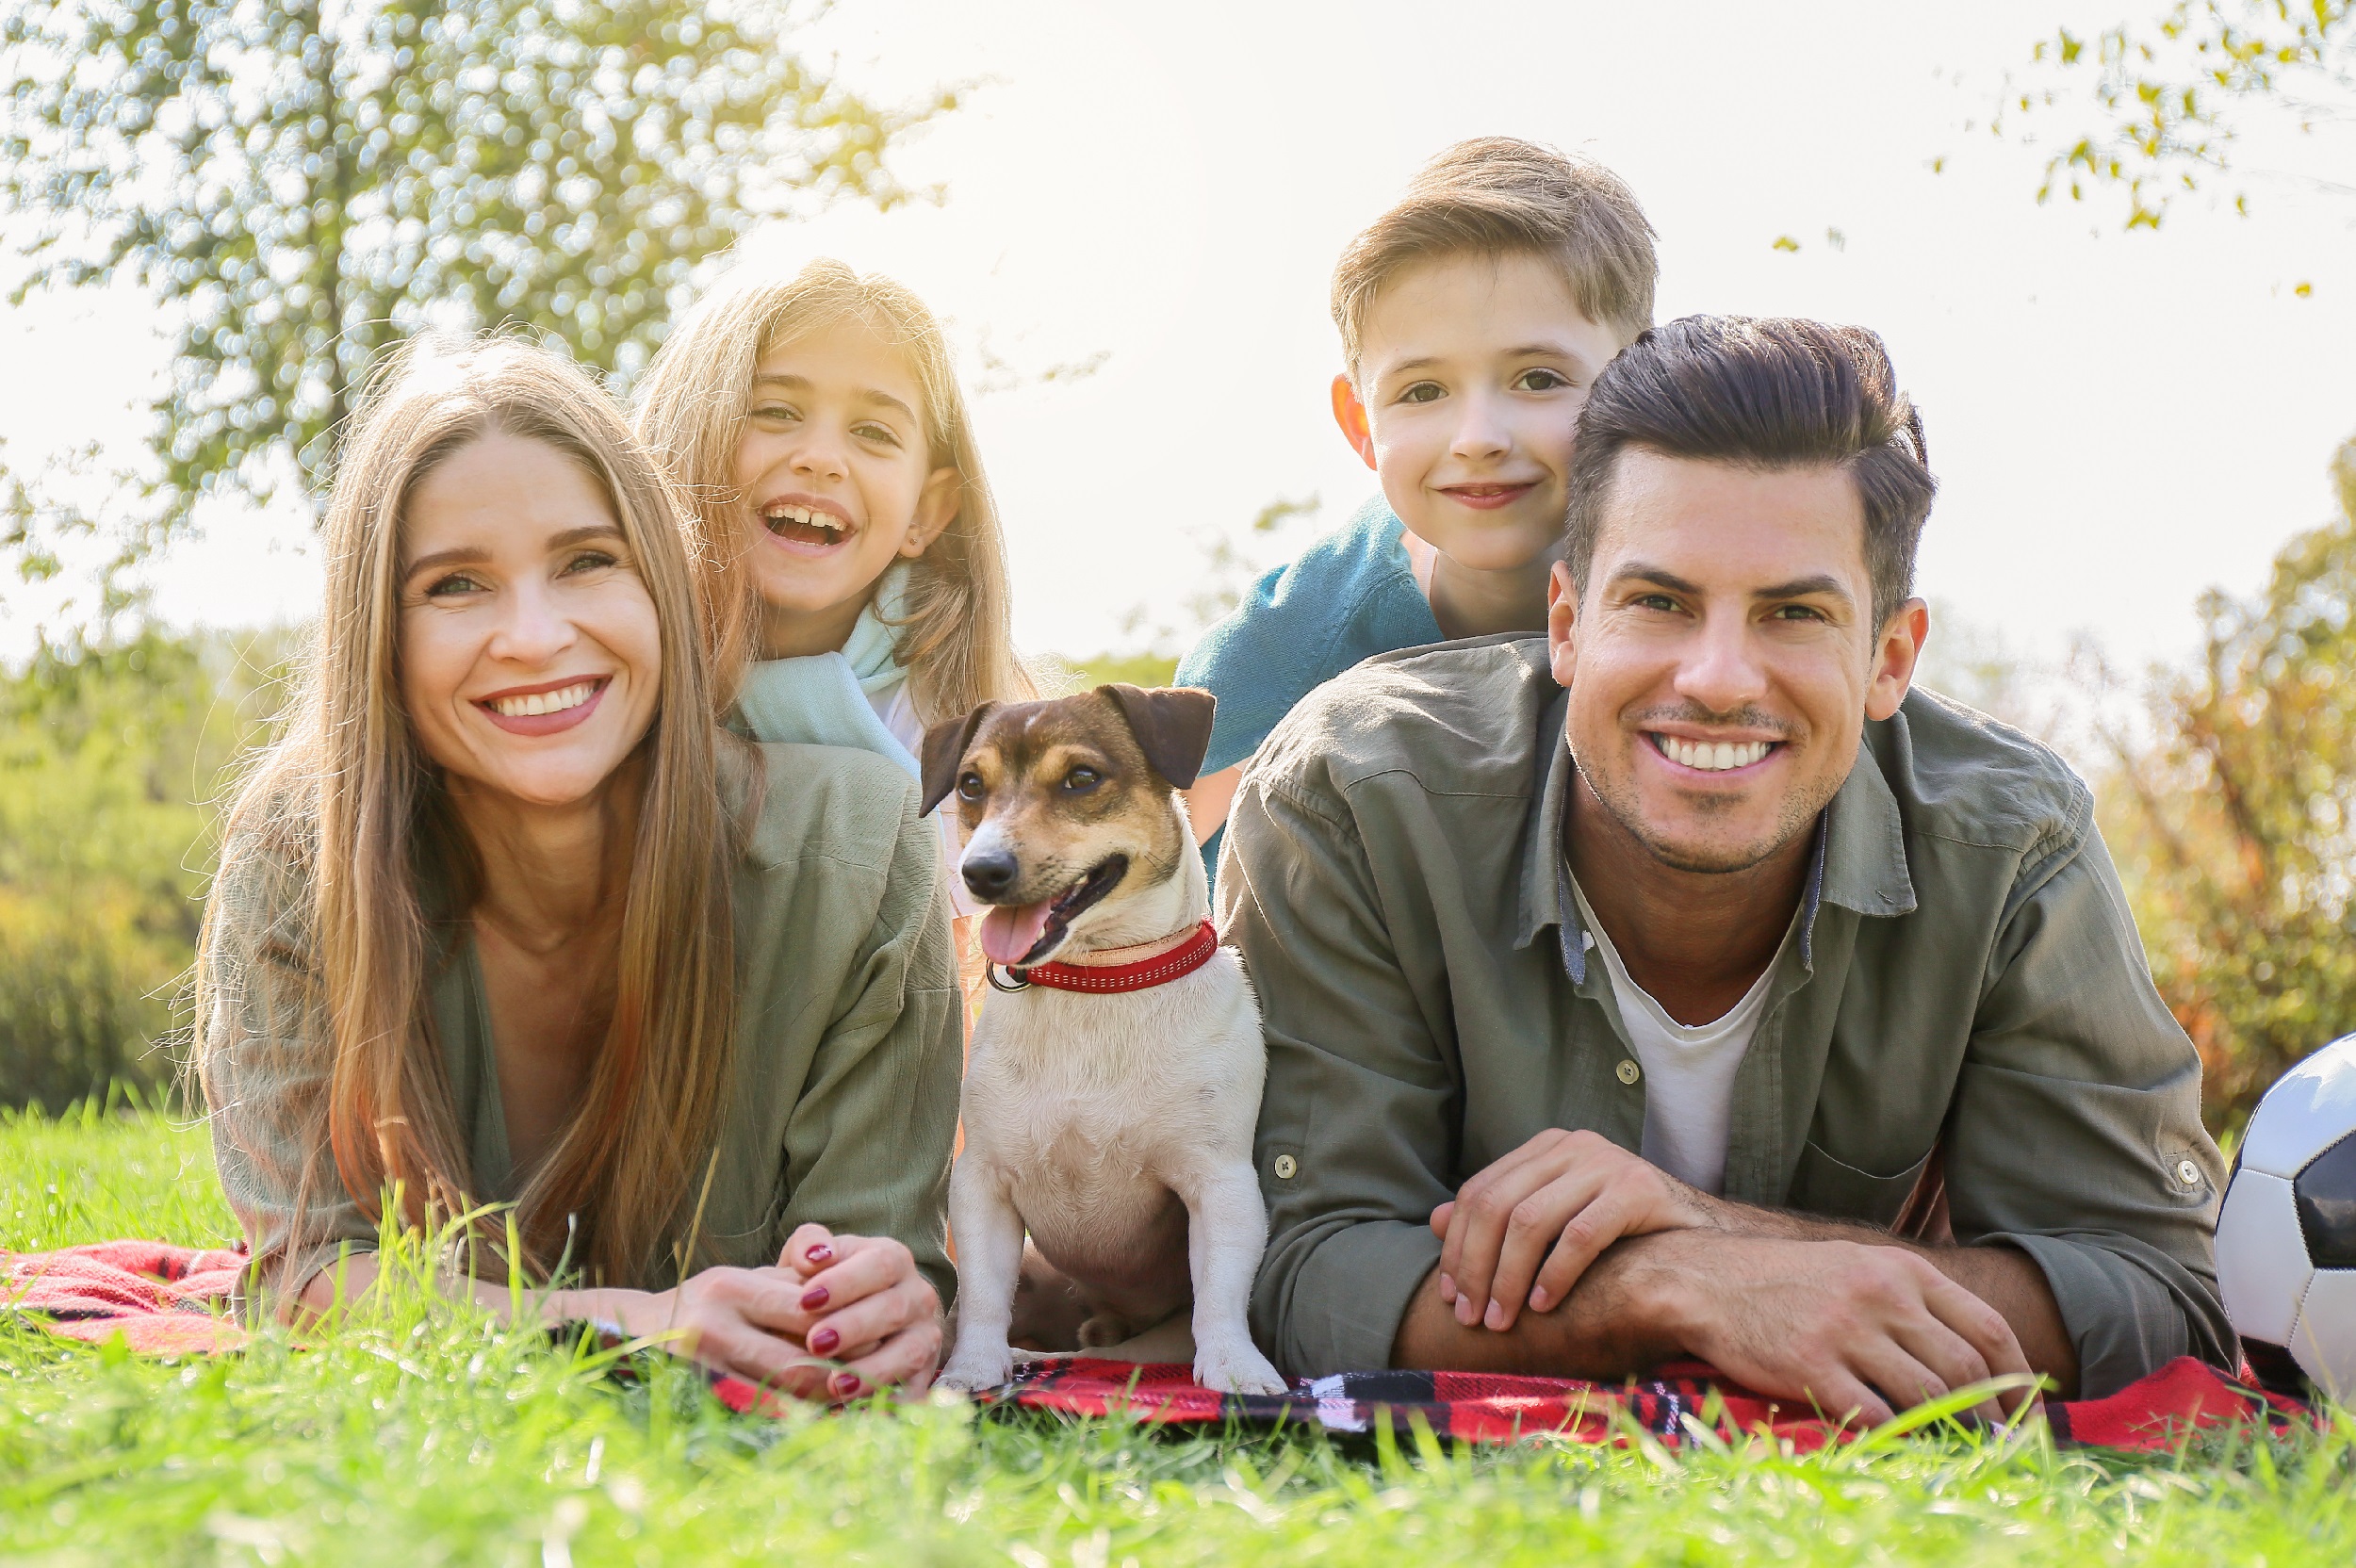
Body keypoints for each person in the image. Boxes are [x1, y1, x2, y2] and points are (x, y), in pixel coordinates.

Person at [1223, 316, 2233, 1418]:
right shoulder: (1353, 794)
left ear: (1888, 657)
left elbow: (2151, 1294)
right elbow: (1297, 1266)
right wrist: (1671, 1285)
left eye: (1792, 613)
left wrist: (1713, 1229)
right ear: (1567, 620)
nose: (1714, 677)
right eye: (1657, 602)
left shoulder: (2009, 844)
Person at [194, 336, 961, 1403]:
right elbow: (308, 1279)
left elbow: (873, 1254)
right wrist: (639, 1321)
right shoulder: (299, 857)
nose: (535, 635)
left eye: (587, 561)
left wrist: (880, 1301)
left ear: (663, 584)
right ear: (382, 639)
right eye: (455, 584)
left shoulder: (862, 850)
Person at [1176, 137, 1658, 864]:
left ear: (1643, 383)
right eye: (1422, 391)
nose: (1478, 438)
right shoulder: (1288, 646)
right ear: (1361, 424)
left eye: (1538, 379)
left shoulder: (1702, 580)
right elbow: (1152, 873)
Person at [633, 255, 1032, 952]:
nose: (821, 457)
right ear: (686, 444)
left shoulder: (971, 723)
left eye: (874, 432)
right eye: (775, 411)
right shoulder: (615, 684)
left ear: (927, 512)